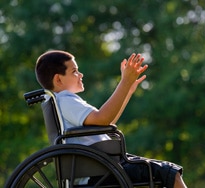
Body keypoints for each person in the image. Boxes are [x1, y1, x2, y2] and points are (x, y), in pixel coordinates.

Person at [35, 50, 187, 188]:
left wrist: (127, 90)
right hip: (100, 172)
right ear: (58, 80)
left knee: (165, 171)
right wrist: (124, 82)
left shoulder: (59, 101)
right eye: (74, 71)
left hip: (99, 168)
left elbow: (107, 122)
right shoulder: (65, 99)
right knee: (171, 173)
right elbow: (102, 118)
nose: (81, 75)